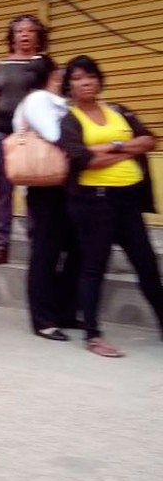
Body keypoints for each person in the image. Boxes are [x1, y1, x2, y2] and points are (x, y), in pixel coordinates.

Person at [57, 56, 163, 357]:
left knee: (147, 265)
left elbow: (149, 141)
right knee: (94, 266)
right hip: (95, 202)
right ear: (70, 86)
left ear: (99, 80)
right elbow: (83, 160)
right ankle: (93, 334)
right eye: (77, 78)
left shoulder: (119, 111)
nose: (86, 82)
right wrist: (124, 148)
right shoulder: (70, 120)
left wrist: (110, 148)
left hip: (129, 199)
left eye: (90, 76)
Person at [12, 54, 80, 342]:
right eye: (60, 71)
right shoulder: (38, 99)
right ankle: (43, 319)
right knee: (46, 253)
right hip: (46, 188)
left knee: (75, 248)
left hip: (63, 185)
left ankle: (63, 310)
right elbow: (54, 133)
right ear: (51, 74)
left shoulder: (55, 101)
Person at [0, 15, 47, 266]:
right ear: (13, 36)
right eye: (20, 31)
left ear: (38, 36)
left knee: (34, 192)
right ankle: (1, 245)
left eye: (30, 31)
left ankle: (37, 243)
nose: (25, 35)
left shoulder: (44, 65)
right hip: (2, 134)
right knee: (4, 193)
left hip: (33, 136)